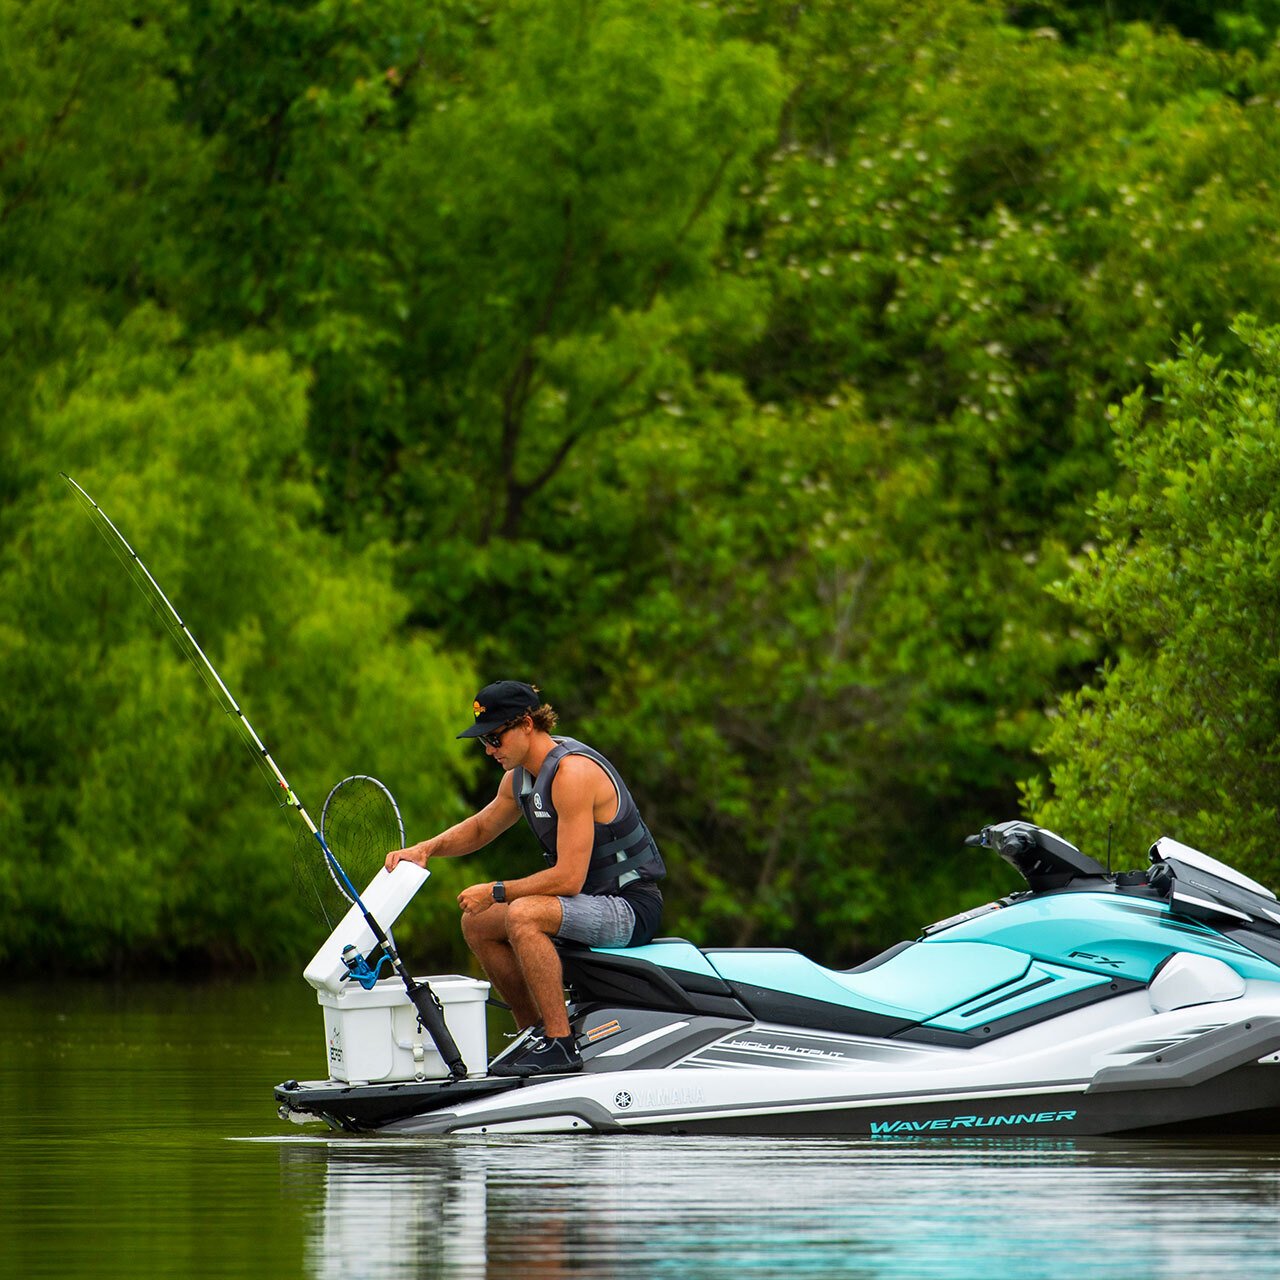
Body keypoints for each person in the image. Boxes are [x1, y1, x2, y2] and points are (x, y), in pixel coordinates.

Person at [385, 680, 665, 1077]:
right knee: (477, 923)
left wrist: (497, 891)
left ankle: (561, 1046)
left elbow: (568, 878)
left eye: (495, 738)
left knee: (522, 915)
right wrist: (427, 848)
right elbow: (481, 829)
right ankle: (532, 1033)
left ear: (527, 724)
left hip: (631, 906)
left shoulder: (572, 774)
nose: (489, 750)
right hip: (588, 902)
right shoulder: (519, 778)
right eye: (484, 741)